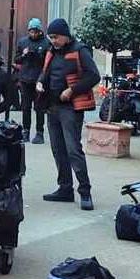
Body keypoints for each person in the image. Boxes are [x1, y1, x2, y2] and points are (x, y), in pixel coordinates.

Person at [36, 18, 100, 211]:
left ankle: (85, 192)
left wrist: (72, 90)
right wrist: (40, 82)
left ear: (65, 35)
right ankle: (65, 189)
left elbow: (93, 75)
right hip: (52, 106)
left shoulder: (80, 50)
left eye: (56, 37)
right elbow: (45, 72)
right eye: (51, 37)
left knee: (73, 150)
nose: (53, 40)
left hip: (70, 108)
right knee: (58, 149)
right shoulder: (51, 51)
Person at [15, 18, 51, 144]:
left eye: (36, 31)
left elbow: (48, 61)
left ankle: (39, 132)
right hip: (25, 79)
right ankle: (25, 131)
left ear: (40, 31)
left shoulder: (46, 43)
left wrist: (38, 55)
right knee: (25, 107)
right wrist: (24, 54)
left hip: (39, 79)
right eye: (31, 31)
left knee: (39, 108)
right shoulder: (23, 42)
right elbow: (16, 59)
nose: (33, 34)